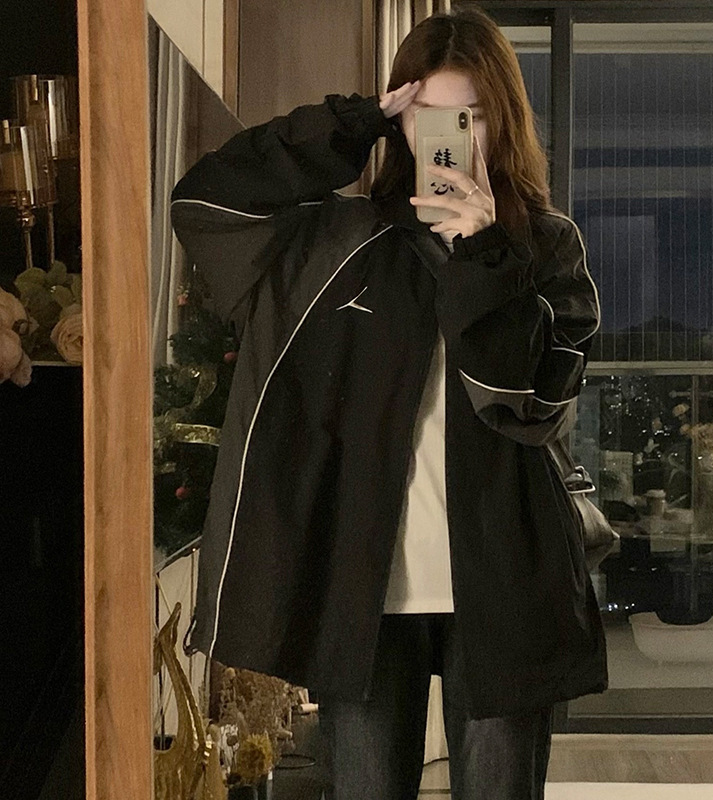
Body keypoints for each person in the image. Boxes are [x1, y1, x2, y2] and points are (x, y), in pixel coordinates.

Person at [172, 6, 607, 799]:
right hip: (363, 590)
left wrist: (483, 256)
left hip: (505, 582)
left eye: (470, 115)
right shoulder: (337, 241)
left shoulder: (545, 246)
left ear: (501, 120)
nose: (449, 135)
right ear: (402, 121)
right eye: (428, 113)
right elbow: (206, 202)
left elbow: (528, 405)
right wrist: (350, 123)